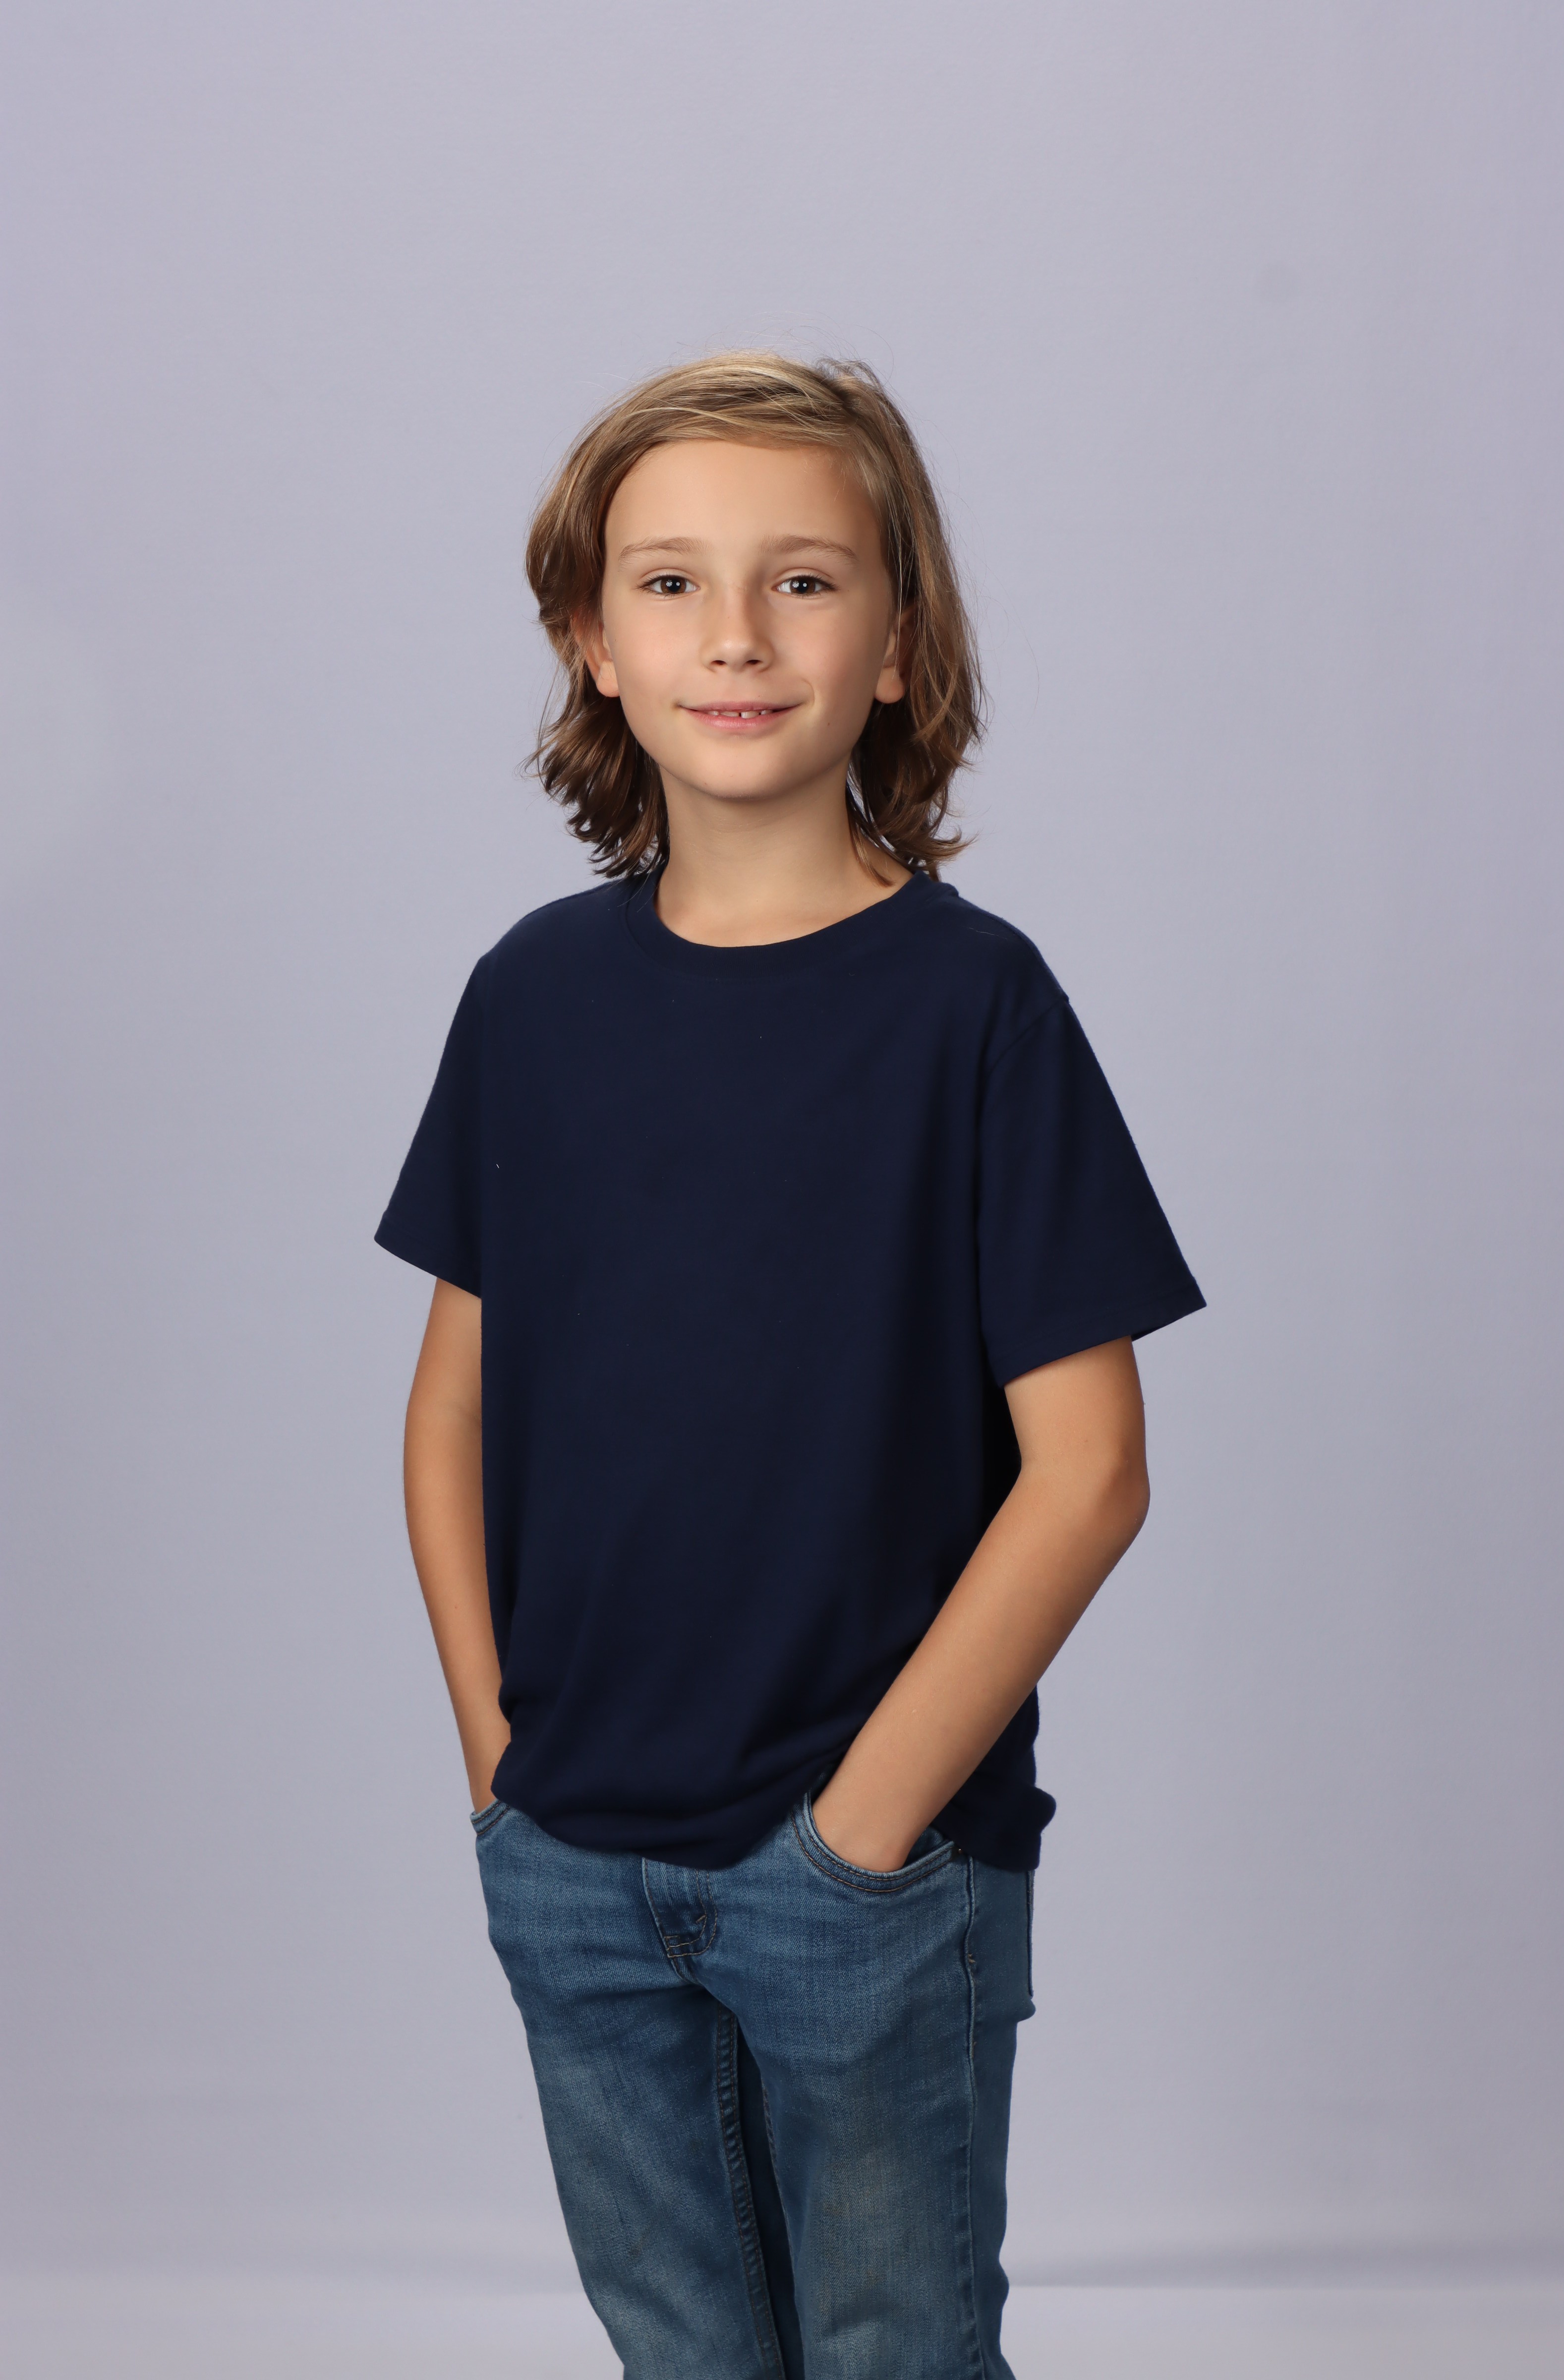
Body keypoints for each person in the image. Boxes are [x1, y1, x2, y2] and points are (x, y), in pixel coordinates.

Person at [376, 352, 1204, 2379]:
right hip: (571, 1850)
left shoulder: (976, 1010)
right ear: (592, 642)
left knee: (896, 2348)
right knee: (677, 2346)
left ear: (898, 646)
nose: (734, 633)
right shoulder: (531, 998)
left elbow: (1090, 1468)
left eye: (803, 581)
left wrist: (864, 1825)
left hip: (866, 1872)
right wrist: (498, 1769)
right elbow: (451, 1406)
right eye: (669, 582)